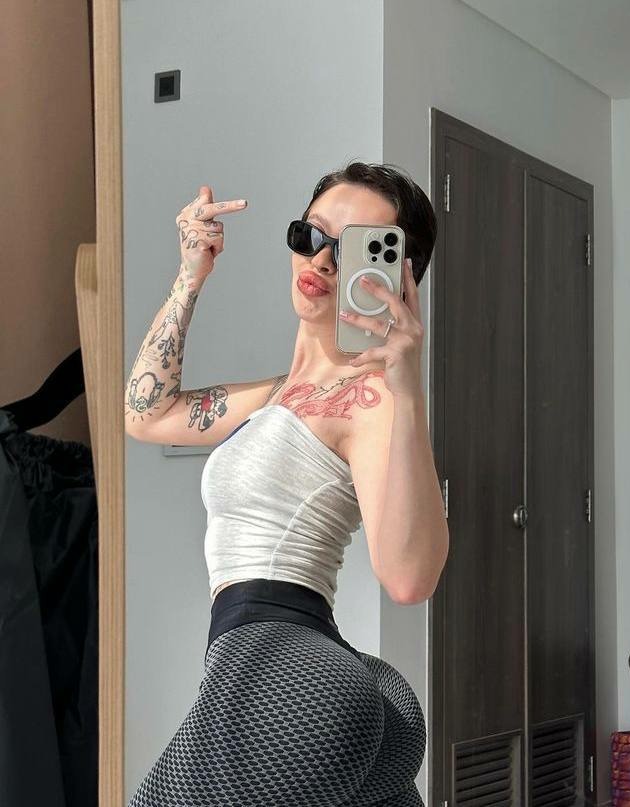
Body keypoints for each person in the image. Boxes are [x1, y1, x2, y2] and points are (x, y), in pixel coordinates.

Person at [124, 161, 448, 806]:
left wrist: (407, 389)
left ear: (395, 276)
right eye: (311, 235)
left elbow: (410, 579)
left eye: (352, 250)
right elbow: (147, 414)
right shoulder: (277, 396)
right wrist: (191, 273)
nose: (321, 260)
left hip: (284, 675)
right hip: (311, 678)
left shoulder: (371, 399)